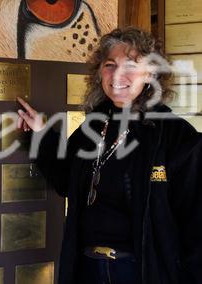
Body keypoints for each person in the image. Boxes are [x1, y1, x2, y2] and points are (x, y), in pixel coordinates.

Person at [16, 27, 202, 284]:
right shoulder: (94, 126)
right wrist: (40, 133)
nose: (118, 75)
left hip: (142, 272)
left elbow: (197, 220)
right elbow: (65, 179)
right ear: (99, 72)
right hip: (89, 269)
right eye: (110, 65)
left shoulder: (176, 136)